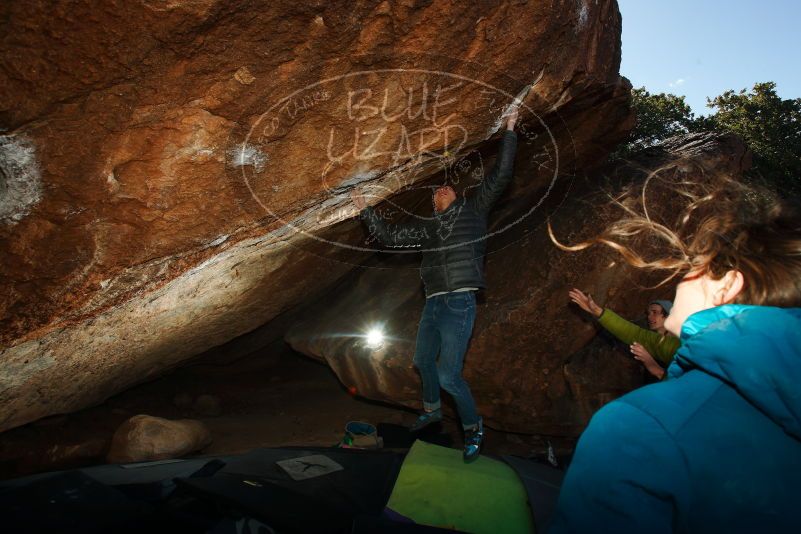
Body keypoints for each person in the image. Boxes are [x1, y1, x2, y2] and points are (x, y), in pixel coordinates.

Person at [549, 166, 801, 533]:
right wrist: (595, 310)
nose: (682, 276)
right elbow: (630, 330)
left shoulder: (641, 429)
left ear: (727, 286)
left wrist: (654, 370)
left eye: (694, 267)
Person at [351, 106, 519, 462]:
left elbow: (502, 174)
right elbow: (390, 238)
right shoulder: (428, 229)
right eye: (435, 194)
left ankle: (474, 429)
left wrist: (510, 127)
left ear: (457, 196)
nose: (441, 190)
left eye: (447, 188)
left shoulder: (474, 211)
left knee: (448, 375)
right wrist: (365, 208)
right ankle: (432, 410)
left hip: (460, 300)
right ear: (433, 205)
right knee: (421, 359)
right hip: (434, 302)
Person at [568, 289, 679, 379]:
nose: (649, 317)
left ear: (669, 314)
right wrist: (596, 311)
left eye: (655, 312)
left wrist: (657, 370)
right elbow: (632, 332)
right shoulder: (659, 342)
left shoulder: (683, 338)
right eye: (648, 313)